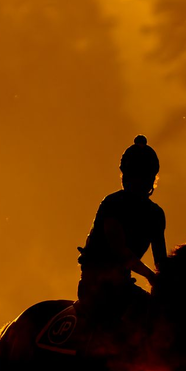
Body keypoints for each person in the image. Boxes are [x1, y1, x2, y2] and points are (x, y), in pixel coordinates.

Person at [76, 133, 167, 354]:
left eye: (144, 176)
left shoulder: (156, 214)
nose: (140, 182)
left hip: (124, 288)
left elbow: (162, 263)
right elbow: (119, 251)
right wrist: (150, 276)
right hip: (96, 286)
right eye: (137, 176)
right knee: (109, 337)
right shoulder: (113, 204)